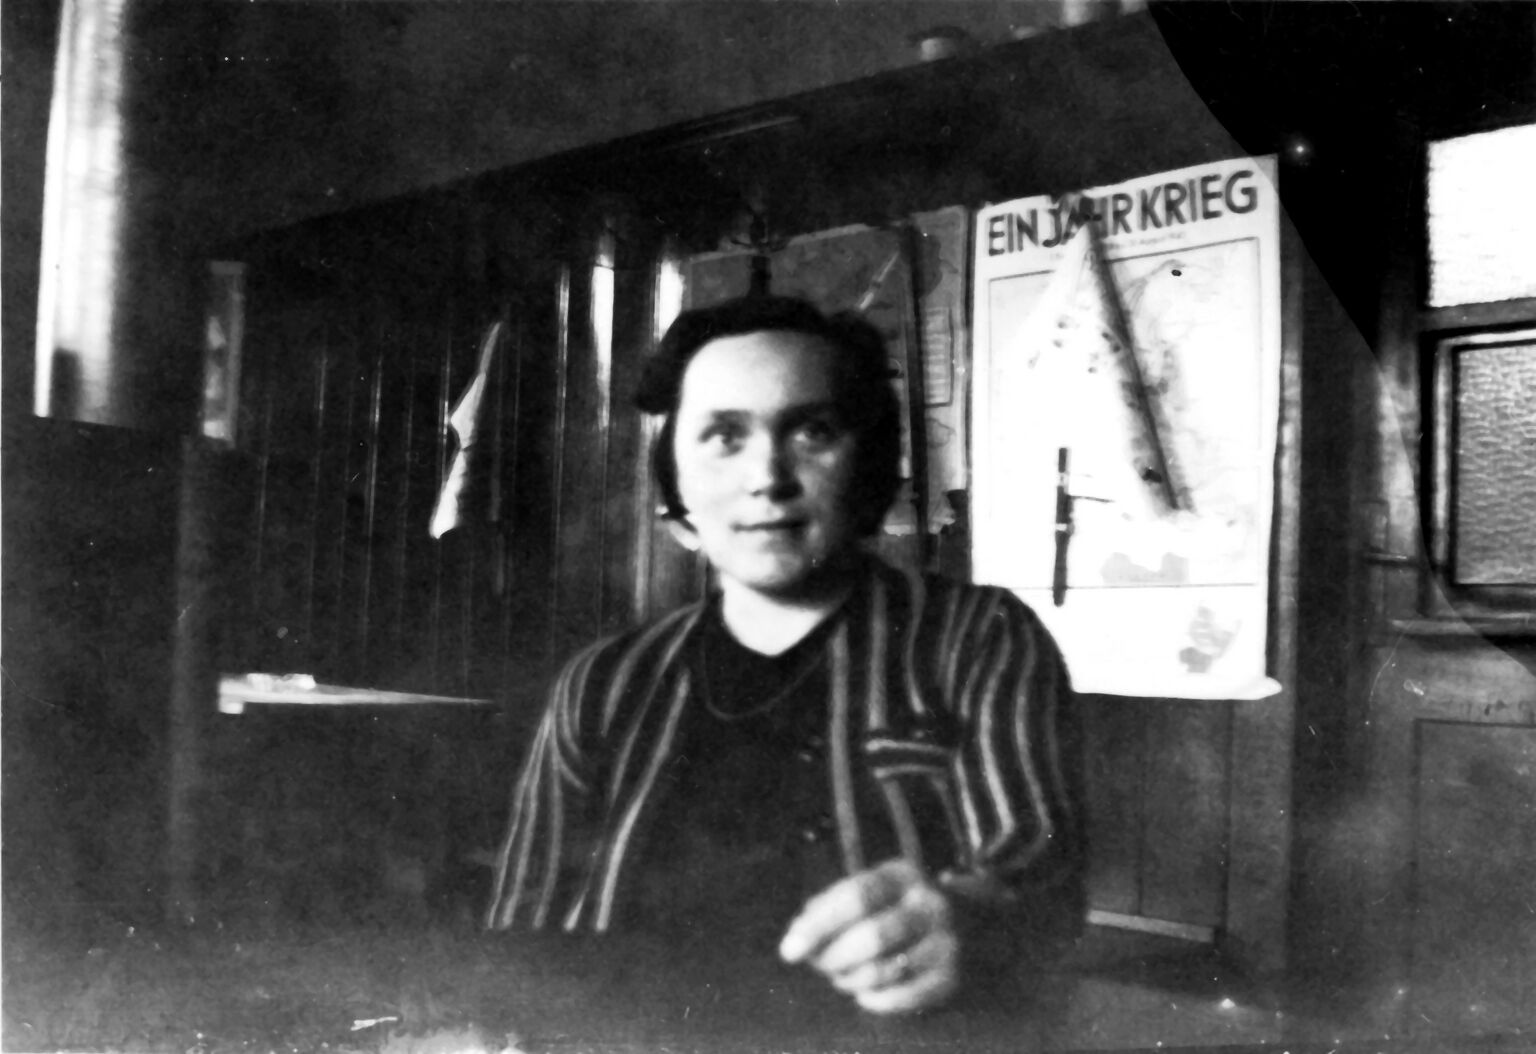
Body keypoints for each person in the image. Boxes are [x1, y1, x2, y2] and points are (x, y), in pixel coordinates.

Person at [486, 295, 1085, 1016]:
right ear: (676, 488)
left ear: (870, 466)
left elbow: (1034, 865)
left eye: (812, 431)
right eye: (724, 436)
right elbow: (524, 921)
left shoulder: (976, 637)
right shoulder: (604, 683)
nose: (767, 476)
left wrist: (965, 920)